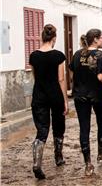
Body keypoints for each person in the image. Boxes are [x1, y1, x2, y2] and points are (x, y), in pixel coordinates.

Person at [29, 24, 68, 180]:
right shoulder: (58, 55)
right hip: (55, 96)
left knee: (42, 129)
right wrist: (65, 100)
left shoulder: (33, 56)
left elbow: (35, 77)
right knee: (59, 127)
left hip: (39, 96)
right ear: (54, 39)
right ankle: (58, 157)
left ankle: (37, 163)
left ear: (42, 37)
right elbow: (61, 79)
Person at [69, 29, 102, 176]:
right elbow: (101, 77)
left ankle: (88, 163)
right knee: (101, 123)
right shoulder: (101, 56)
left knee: (84, 128)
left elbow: (72, 72)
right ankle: (100, 154)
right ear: (96, 40)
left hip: (81, 96)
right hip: (98, 95)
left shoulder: (78, 54)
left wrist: (77, 85)